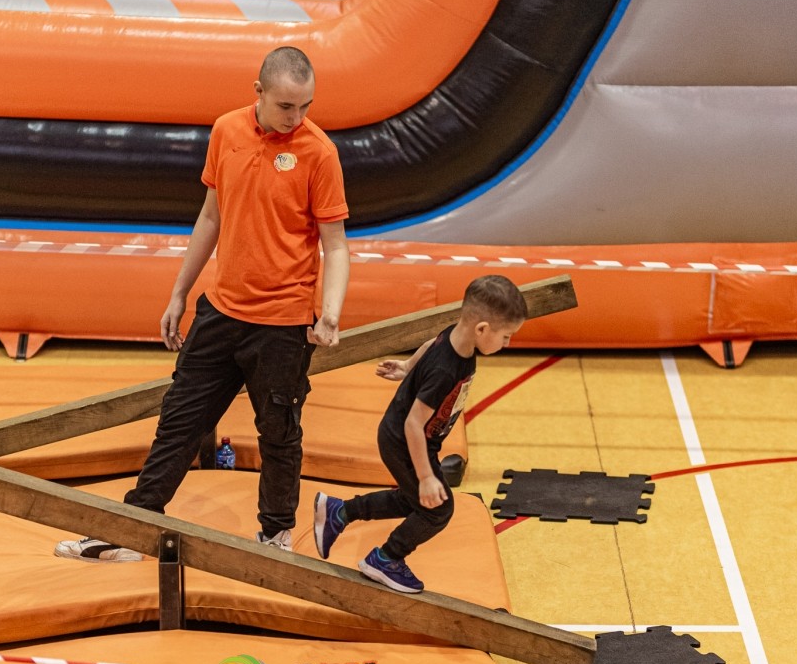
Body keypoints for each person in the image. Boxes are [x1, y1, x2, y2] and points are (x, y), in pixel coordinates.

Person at [56, 46, 350, 562]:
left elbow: (336, 245)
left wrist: (330, 312)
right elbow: (211, 217)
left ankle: (276, 535)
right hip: (220, 312)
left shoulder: (319, 152)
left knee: (278, 434)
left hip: (282, 325)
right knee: (178, 423)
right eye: (286, 106)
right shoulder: (226, 131)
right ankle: (134, 531)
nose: (296, 117)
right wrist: (180, 292)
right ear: (258, 92)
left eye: (305, 106)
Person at [312, 275, 527, 593]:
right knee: (438, 509)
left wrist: (408, 366)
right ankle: (386, 558)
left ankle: (339, 512)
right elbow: (413, 424)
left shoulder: (458, 338)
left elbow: (431, 343)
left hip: (412, 440)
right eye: (506, 336)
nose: (507, 344)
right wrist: (426, 476)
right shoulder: (445, 370)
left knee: (412, 501)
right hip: (405, 441)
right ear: (482, 329)